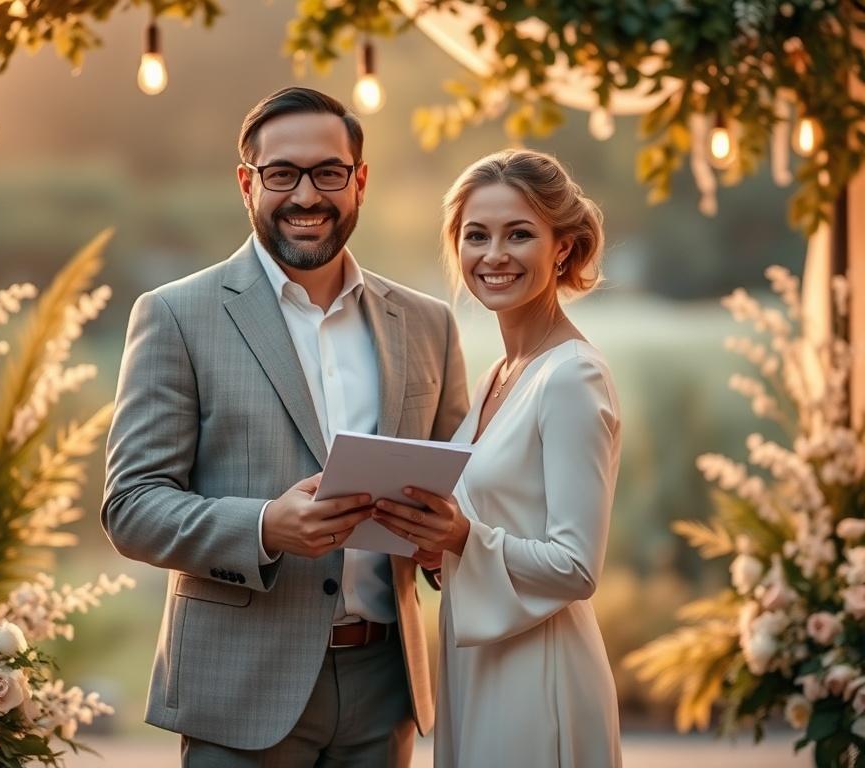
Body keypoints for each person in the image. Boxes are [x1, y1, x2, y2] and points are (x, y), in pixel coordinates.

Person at [100, 86, 469, 767]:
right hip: (237, 687)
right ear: (248, 184)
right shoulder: (176, 314)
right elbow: (131, 506)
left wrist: (442, 544)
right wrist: (267, 526)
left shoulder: (428, 324)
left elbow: (458, 495)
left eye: (328, 172)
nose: (306, 195)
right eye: (282, 174)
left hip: (384, 687)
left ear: (360, 182)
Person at [372, 148, 623, 767]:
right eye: (476, 235)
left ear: (562, 248)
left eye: (520, 234)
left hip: (539, 674)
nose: (494, 255)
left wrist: (462, 538)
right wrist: (437, 548)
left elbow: (575, 566)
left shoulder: (572, 377)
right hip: (478, 661)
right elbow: (500, 521)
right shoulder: (498, 375)